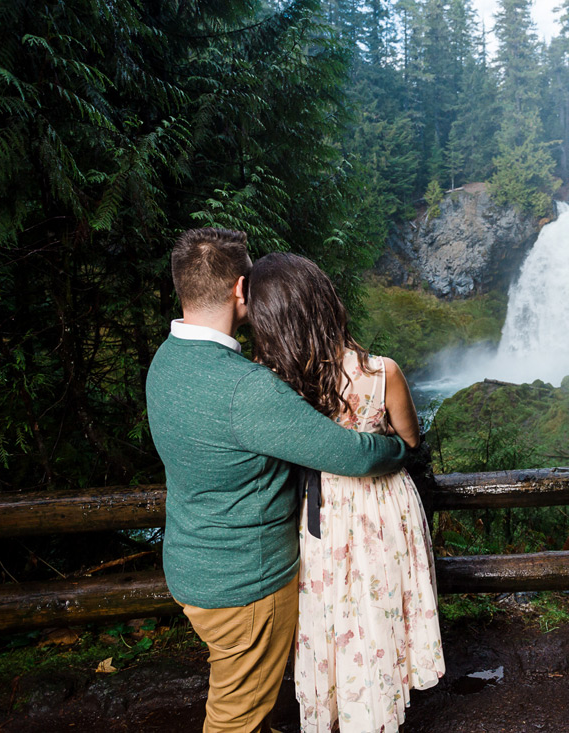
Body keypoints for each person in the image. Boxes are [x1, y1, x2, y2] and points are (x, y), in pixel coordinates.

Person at [145, 228, 409, 733]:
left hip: (192, 566)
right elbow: (350, 454)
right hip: (246, 584)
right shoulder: (245, 389)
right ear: (241, 290)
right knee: (234, 718)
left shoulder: (167, 361)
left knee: (244, 696)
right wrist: (399, 449)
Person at [246, 252, 444, 733]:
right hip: (381, 505)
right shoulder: (383, 372)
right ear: (326, 304)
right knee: (377, 607)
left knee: (331, 609)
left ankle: (336, 707)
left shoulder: (272, 383)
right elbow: (410, 440)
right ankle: (378, 709)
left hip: (322, 512)